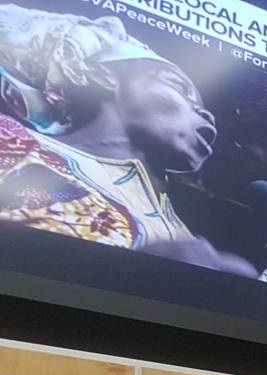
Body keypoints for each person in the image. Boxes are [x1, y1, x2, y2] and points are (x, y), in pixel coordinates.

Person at [0, 4, 252, 274]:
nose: (206, 114)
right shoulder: (10, 142)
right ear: (102, 75)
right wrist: (128, 272)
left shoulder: (186, 236)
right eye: (179, 87)